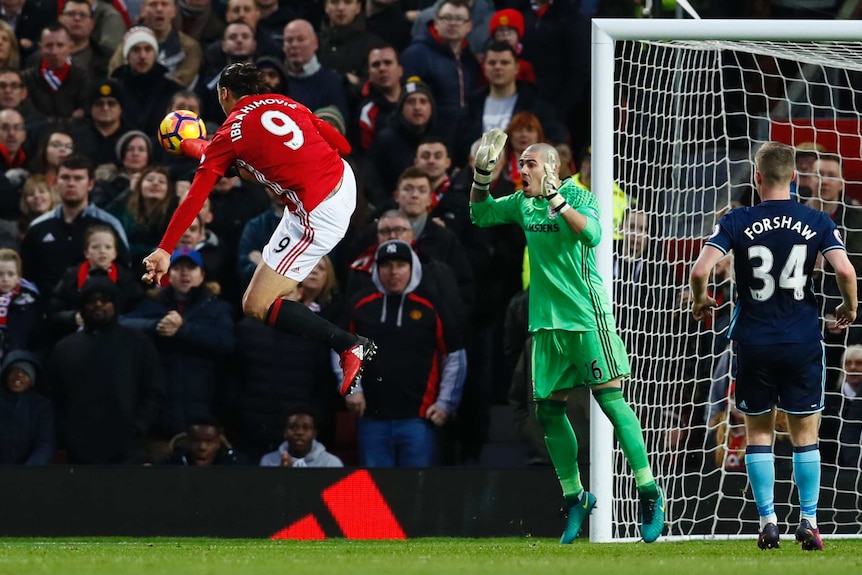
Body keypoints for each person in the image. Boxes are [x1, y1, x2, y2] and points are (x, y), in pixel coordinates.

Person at [469, 129, 665, 544]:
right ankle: (576, 497)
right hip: (545, 324)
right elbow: (480, 215)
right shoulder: (522, 204)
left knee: (611, 401)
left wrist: (558, 198)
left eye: (530, 163)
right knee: (548, 412)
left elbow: (593, 235)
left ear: (552, 168)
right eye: (519, 163)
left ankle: (648, 490)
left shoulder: (578, 196)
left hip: (586, 317)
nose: (522, 169)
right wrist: (481, 179)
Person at [142, 62, 374, 397]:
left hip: (318, 213)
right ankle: (349, 344)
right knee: (248, 165)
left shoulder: (226, 136)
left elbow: (195, 197)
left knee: (257, 304)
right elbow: (343, 145)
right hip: (343, 177)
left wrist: (165, 248)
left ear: (224, 94)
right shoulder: (285, 102)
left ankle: (349, 345)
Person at [689, 141, 858, 551]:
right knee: (806, 432)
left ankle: (767, 521)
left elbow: (699, 270)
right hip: (801, 339)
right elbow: (846, 271)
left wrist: (700, 299)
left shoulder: (737, 219)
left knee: (758, 430)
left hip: (753, 340)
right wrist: (849, 307)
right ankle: (809, 521)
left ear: (758, 178)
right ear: (796, 178)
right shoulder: (816, 219)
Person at [0, 350, 55, 465]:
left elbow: (45, 444)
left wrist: (27, 472)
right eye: (14, 371)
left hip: (29, 475)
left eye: (25, 372)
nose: (18, 376)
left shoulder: (42, 406)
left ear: (32, 380)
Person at [259, 405, 343, 467]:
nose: (299, 432)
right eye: (293, 427)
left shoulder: (331, 463)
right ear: (285, 432)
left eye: (306, 428)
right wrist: (281, 474)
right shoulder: (268, 461)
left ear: (314, 433)